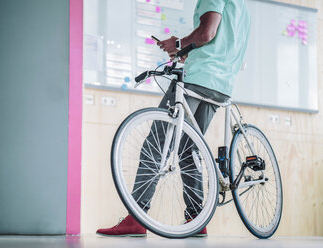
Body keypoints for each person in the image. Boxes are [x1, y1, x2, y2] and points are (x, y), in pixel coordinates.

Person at [96, 0, 250, 237]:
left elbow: (207, 33)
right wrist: (186, 49)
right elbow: (218, 42)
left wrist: (178, 43)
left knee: (157, 142)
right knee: (190, 149)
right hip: (221, 85)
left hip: (197, 78)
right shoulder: (242, 7)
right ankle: (196, 218)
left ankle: (137, 217)